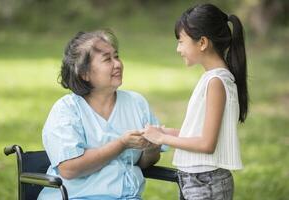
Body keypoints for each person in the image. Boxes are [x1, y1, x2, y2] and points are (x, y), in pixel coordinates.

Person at [38, 29, 161, 200]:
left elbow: (142, 163)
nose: (117, 64)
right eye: (107, 59)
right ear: (84, 73)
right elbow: (69, 168)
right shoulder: (66, 110)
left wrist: (151, 149)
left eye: (116, 56)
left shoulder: (136, 103)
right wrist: (121, 144)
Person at [143, 4, 248, 200]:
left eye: (181, 41)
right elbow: (200, 135)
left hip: (205, 183)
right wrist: (166, 132)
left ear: (202, 43)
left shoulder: (216, 82)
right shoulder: (212, 78)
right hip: (199, 180)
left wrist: (162, 139)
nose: (178, 48)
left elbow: (207, 144)